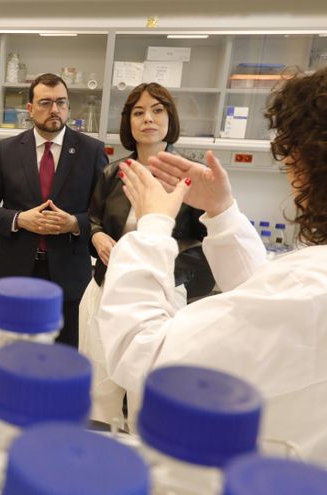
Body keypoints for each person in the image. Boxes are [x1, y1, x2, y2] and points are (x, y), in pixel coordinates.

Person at [96, 52, 327, 479]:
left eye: (291, 163)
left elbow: (146, 356)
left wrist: (152, 226)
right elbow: (269, 298)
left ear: (322, 166)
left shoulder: (322, 282)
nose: (291, 178)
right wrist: (221, 211)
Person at [80, 83, 212, 425]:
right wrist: (96, 238)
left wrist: (160, 265)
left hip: (164, 294)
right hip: (105, 290)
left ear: (171, 118)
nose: (148, 119)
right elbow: (92, 220)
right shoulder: (113, 173)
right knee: (100, 390)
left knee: (150, 396)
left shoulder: (190, 176)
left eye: (157, 110)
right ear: (128, 123)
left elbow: (205, 243)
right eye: (138, 112)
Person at [0, 73, 108, 348]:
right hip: (17, 274)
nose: (55, 110)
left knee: (62, 359)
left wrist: (73, 223)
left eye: (61, 102)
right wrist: (20, 219)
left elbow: (103, 215)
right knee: (13, 354)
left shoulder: (91, 151)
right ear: (30, 109)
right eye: (46, 102)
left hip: (68, 278)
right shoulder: (7, 150)